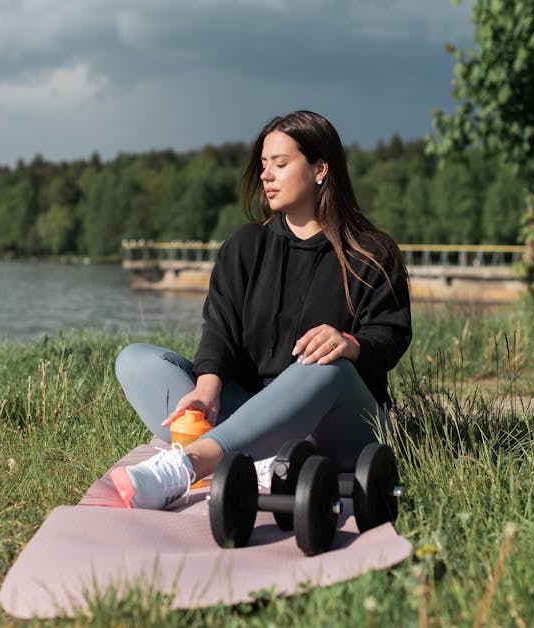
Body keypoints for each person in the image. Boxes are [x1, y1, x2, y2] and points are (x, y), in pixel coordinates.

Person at [111, 110, 412, 510]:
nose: (266, 175)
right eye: (264, 165)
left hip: (340, 428)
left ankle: (188, 466)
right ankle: (256, 458)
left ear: (320, 169)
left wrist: (349, 343)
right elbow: (219, 330)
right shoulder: (244, 245)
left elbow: (391, 336)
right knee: (136, 360)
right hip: (250, 410)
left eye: (281, 164)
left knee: (324, 363)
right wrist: (206, 390)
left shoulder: (371, 252)